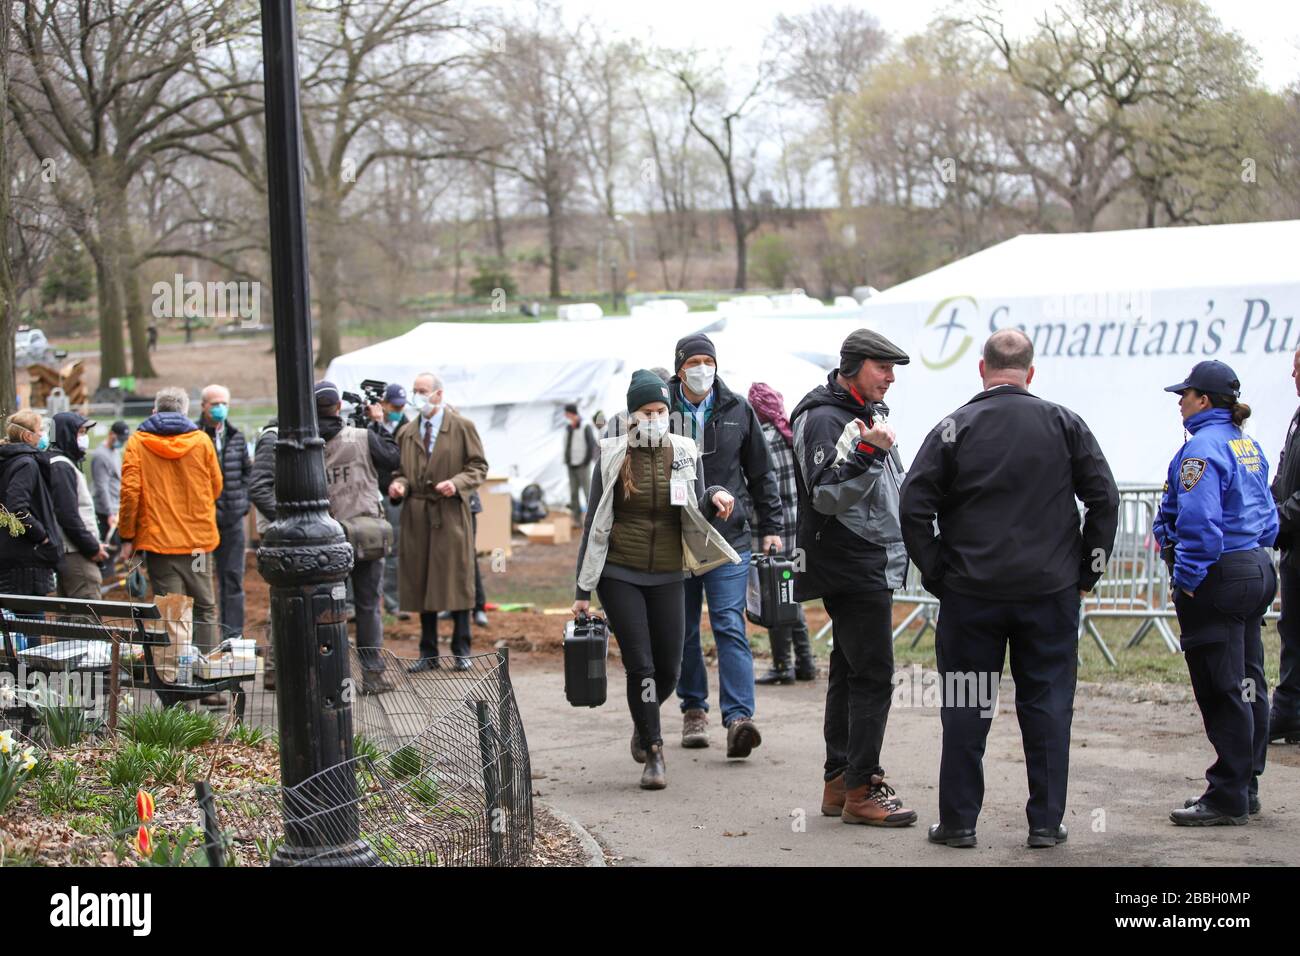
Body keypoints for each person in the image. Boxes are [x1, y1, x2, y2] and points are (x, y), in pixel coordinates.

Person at [900, 329, 1120, 848]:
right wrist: (1087, 572)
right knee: (1046, 707)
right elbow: (1104, 498)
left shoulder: (956, 427)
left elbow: (914, 503)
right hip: (1049, 592)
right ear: (1031, 371)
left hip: (971, 594)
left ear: (982, 369)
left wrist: (937, 573)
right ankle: (1045, 824)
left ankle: (958, 823)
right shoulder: (1064, 423)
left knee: (965, 707)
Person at [572, 370, 740, 789]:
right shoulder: (611, 456)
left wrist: (714, 496)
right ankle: (654, 750)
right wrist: (581, 591)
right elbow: (593, 521)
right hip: (619, 572)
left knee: (670, 665)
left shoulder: (683, 449)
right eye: (648, 411)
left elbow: (696, 500)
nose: (657, 417)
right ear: (633, 415)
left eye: (663, 410)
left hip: (668, 571)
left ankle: (642, 720)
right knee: (641, 665)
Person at [789, 328, 917, 827]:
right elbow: (824, 493)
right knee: (874, 676)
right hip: (851, 562)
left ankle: (840, 783)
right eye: (882, 367)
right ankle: (864, 786)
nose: (889, 378)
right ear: (853, 366)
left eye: (893, 370)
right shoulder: (825, 417)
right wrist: (871, 453)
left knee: (848, 671)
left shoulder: (861, 415)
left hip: (862, 559)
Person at [1153, 360, 1278, 826]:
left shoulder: (1201, 449)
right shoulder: (1246, 443)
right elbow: (1269, 517)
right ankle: (1246, 784)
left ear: (1204, 400)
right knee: (1249, 682)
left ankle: (1227, 793)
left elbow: (1200, 527)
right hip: (1256, 567)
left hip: (1219, 576)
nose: (1179, 403)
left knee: (1220, 686)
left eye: (1184, 395)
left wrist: (1185, 581)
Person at [668, 332, 782, 759]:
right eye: (693, 362)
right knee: (682, 631)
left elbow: (761, 473)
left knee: (729, 624)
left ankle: (738, 718)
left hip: (728, 535)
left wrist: (771, 526)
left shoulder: (739, 409)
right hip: (676, 537)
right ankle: (693, 708)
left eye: (707, 361)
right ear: (679, 368)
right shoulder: (663, 409)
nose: (702, 369)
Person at [389, 372, 487, 672]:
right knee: (421, 583)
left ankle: (461, 648)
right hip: (417, 515)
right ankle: (428, 651)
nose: (418, 395)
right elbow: (399, 470)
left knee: (456, 580)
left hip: (450, 514)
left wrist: (457, 483)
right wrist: (400, 485)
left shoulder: (461, 427)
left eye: (423, 390)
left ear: (438, 394)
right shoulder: (406, 432)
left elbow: (478, 466)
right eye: (415, 390)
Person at [118, 387, 223, 652]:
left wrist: (127, 537)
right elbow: (216, 486)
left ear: (155, 411)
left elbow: (130, 494)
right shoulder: (201, 442)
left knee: (172, 610)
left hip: (160, 548)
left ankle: (173, 678)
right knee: (205, 606)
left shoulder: (138, 443)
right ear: (185, 411)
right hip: (198, 547)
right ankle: (208, 673)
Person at [315, 381, 400, 693]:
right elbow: (393, 458)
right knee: (368, 606)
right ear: (339, 407)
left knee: (329, 606)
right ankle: (372, 674)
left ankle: (330, 675)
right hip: (366, 532)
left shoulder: (307, 444)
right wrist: (378, 423)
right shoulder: (362, 436)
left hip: (324, 537)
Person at [747, 382, 816, 684]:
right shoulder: (791, 435)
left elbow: (759, 489)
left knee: (775, 595)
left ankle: (782, 665)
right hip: (797, 527)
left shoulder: (763, 440)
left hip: (772, 529)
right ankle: (805, 663)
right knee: (789, 593)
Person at [0, 411, 63, 621]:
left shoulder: (8, 461)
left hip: (12, 557)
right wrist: (42, 536)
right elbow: (17, 508)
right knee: (32, 627)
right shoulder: (26, 463)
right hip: (27, 562)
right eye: (40, 431)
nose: (43, 435)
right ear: (28, 436)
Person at [201, 384, 251, 639]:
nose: (220, 408)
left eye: (224, 403)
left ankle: (232, 636)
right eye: (214, 404)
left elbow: (247, 472)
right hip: (200, 527)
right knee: (199, 579)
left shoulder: (237, 436)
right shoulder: (194, 437)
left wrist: (242, 503)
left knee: (232, 578)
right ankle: (203, 638)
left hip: (232, 523)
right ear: (203, 407)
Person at [1269, 346, 1300, 745]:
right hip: (1294, 549)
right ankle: (1290, 711)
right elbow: (1283, 475)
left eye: (1298, 368)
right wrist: (1268, 505)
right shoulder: (1296, 417)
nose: (1292, 376)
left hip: (1293, 533)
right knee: (1292, 631)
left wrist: (1276, 519)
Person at [48, 412, 109, 600]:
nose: (84, 438)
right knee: (87, 611)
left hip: (72, 549)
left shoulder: (62, 463)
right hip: (75, 551)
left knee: (70, 615)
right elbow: (68, 515)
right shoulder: (61, 466)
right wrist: (91, 547)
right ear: (66, 434)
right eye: (80, 432)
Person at [370, 383, 410, 620]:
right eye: (394, 405)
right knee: (364, 548)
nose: (398, 409)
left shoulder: (408, 427)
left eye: (401, 406)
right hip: (369, 493)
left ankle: (393, 602)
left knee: (394, 550)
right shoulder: (370, 426)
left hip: (394, 495)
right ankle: (359, 604)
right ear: (383, 404)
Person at [247, 415, 278, 690]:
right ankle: (273, 670)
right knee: (279, 599)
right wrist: (282, 520)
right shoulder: (272, 439)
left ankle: (276, 670)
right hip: (278, 533)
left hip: (285, 530)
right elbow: (258, 487)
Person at [90, 420, 128, 540]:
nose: (121, 442)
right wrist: (109, 512)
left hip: (116, 507)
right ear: (111, 434)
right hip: (105, 512)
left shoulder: (115, 452)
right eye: (120, 439)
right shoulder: (101, 456)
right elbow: (102, 486)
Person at [563, 403, 598, 525]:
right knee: (573, 493)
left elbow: (591, 445)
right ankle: (576, 519)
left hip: (583, 465)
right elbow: (567, 445)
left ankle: (592, 519)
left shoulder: (585, 426)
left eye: (567, 413)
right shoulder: (568, 427)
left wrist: (586, 461)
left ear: (572, 413)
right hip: (571, 465)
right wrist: (567, 460)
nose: (565, 415)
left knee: (587, 492)